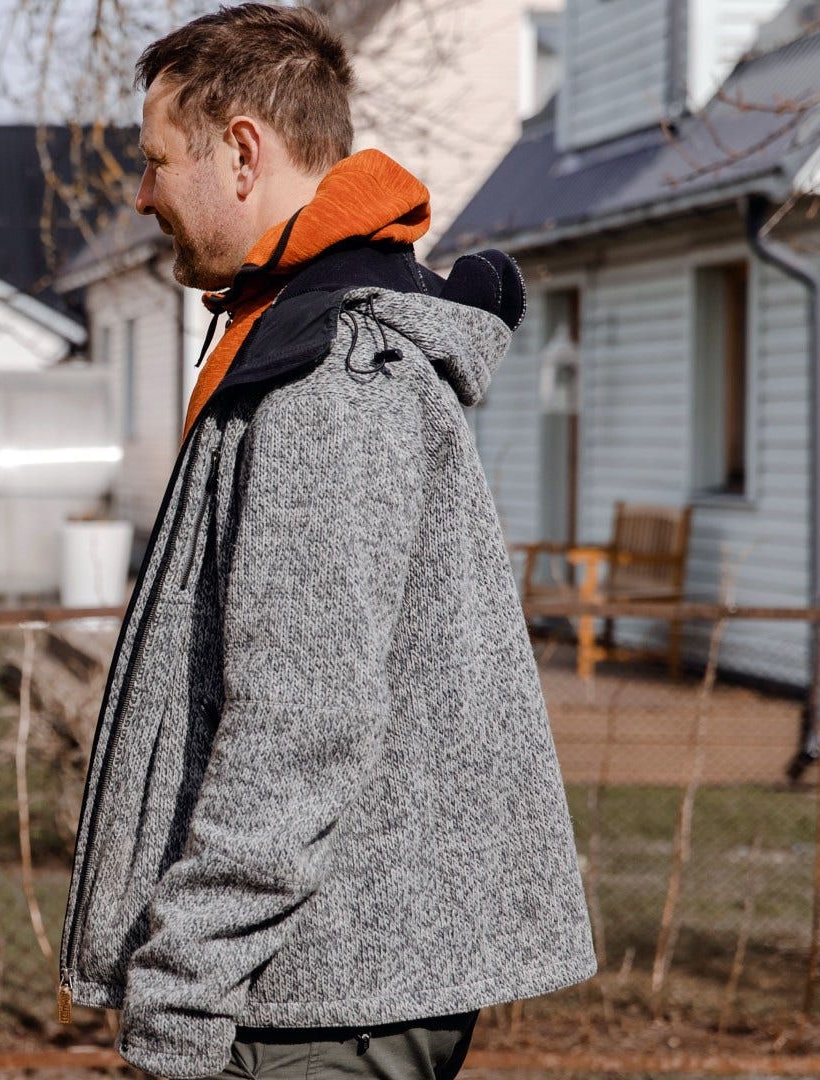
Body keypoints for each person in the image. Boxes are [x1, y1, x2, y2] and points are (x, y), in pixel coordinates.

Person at [56, 7, 597, 1079]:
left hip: (311, 1000)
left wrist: (182, 996)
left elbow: (300, 723)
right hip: (321, 979)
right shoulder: (303, 342)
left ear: (244, 151)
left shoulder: (326, 382)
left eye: (160, 159)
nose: (143, 193)